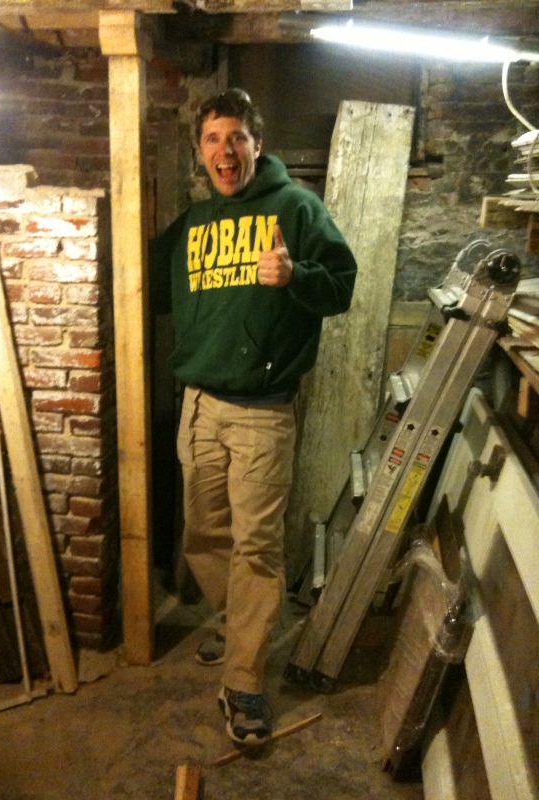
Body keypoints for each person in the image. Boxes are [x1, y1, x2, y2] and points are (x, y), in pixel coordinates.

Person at [149, 88, 357, 746]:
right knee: (204, 537)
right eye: (213, 139)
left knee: (257, 548)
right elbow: (146, 283)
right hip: (200, 405)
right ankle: (240, 625)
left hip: (263, 412)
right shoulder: (194, 223)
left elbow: (342, 286)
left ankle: (243, 680)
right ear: (200, 151)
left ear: (256, 144)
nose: (225, 150)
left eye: (236, 137)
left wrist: (296, 275)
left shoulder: (297, 208)